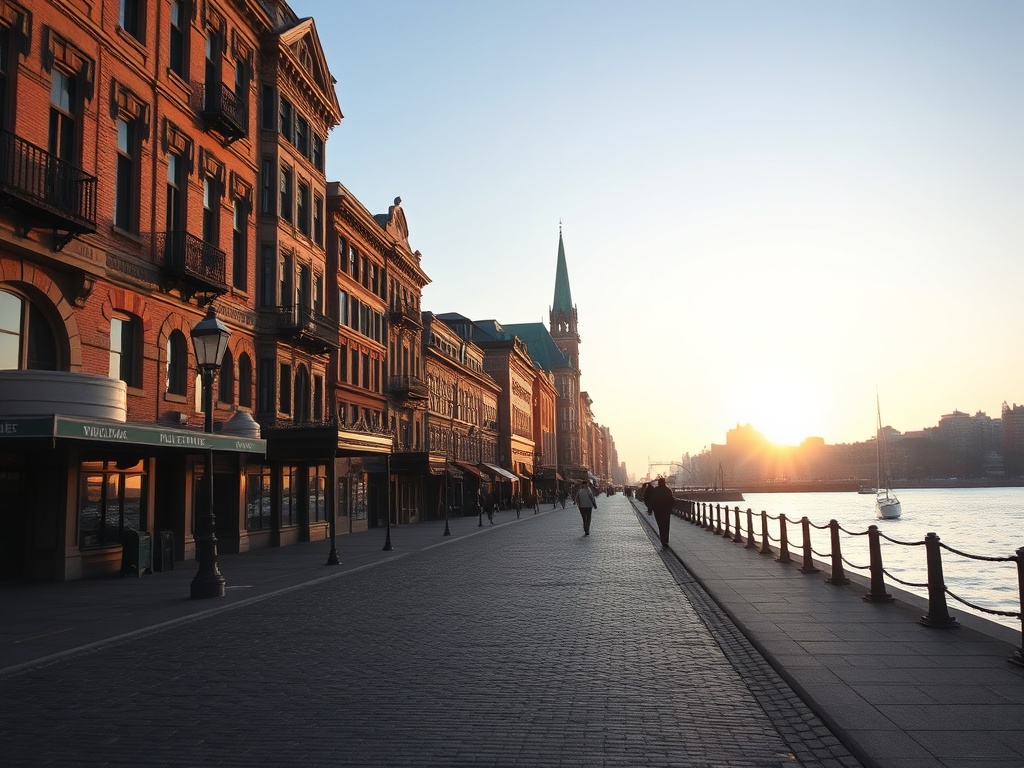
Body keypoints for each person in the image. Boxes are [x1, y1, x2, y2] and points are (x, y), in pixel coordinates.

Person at [649, 476, 675, 548]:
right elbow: (672, 500)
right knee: (666, 525)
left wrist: (653, 508)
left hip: (658, 511)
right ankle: (666, 540)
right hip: (666, 511)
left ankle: (662, 539)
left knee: (660, 525)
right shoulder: (668, 490)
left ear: (659, 483)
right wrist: (670, 509)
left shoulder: (656, 490)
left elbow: (652, 500)